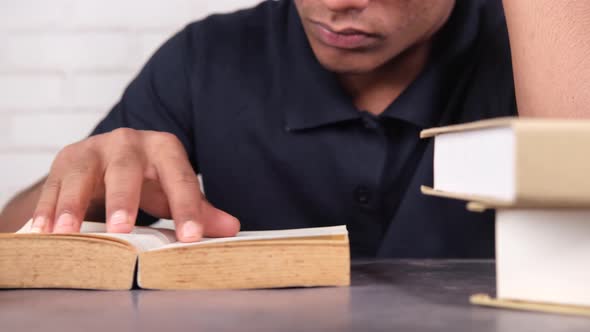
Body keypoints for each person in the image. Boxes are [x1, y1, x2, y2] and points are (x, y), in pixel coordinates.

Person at [1, 0, 589, 258]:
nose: (339, 3)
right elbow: (11, 244)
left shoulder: (538, 48)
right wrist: (88, 187)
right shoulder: (208, 55)